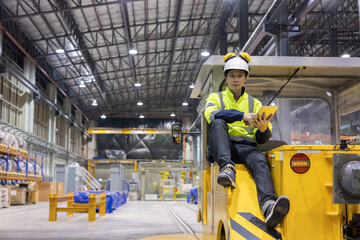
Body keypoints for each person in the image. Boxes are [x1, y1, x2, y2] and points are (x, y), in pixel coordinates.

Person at [204, 52, 290, 229]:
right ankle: (227, 169)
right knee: (218, 121)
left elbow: (262, 139)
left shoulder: (256, 104)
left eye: (240, 75)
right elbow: (211, 115)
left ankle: (269, 206)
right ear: (226, 77)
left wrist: (263, 128)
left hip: (246, 146)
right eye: (232, 75)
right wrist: (241, 116)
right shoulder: (215, 98)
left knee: (260, 161)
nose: (236, 79)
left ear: (246, 78)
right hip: (223, 148)